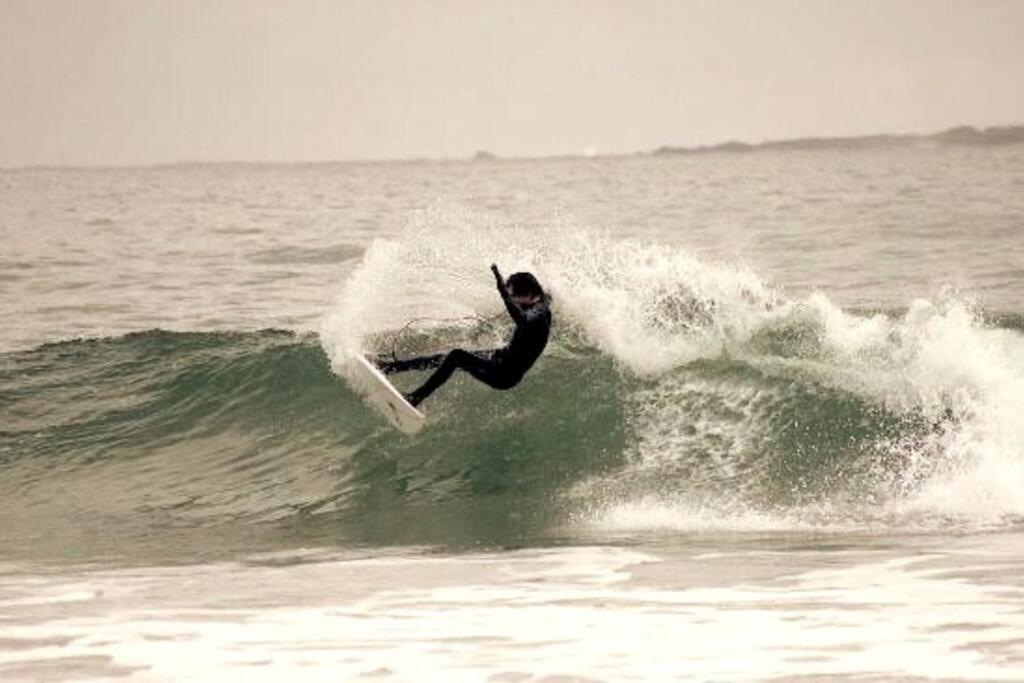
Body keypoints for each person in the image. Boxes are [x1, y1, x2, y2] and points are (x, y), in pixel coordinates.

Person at [374, 264, 552, 407]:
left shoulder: (538, 314)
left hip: (503, 375)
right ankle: (390, 368)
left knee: (456, 357)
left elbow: (523, 320)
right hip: (501, 358)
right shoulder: (540, 300)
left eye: (514, 297)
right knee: (444, 358)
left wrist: (503, 293)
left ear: (529, 294)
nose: (512, 301)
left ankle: (415, 398)